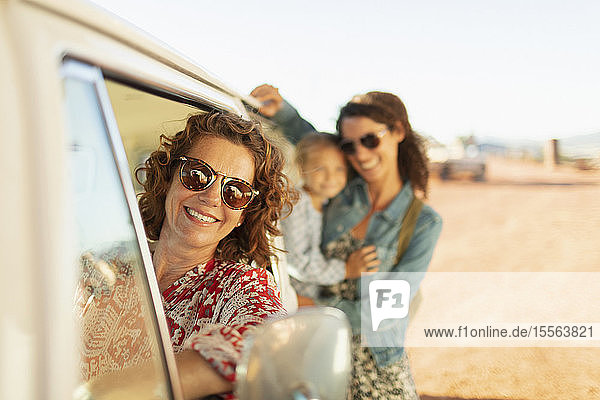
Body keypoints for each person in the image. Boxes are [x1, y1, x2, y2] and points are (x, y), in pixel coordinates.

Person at [79, 110, 294, 399]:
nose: (212, 198)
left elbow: (273, 344)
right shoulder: (111, 260)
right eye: (197, 175)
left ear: (243, 215)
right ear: (169, 178)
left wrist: (98, 392)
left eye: (236, 192)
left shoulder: (239, 285)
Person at [251, 84, 443, 400]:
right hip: (315, 351)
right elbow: (313, 145)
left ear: (397, 131)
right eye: (350, 146)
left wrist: (315, 308)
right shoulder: (339, 186)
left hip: (375, 366)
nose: (361, 155)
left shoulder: (423, 223)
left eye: (370, 140)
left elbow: (388, 311)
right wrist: (283, 112)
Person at [281, 132, 379, 304]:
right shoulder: (296, 203)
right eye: (320, 168)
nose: (331, 177)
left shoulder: (326, 204)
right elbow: (297, 263)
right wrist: (346, 270)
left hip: (310, 295)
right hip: (289, 298)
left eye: (339, 169)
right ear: (302, 169)